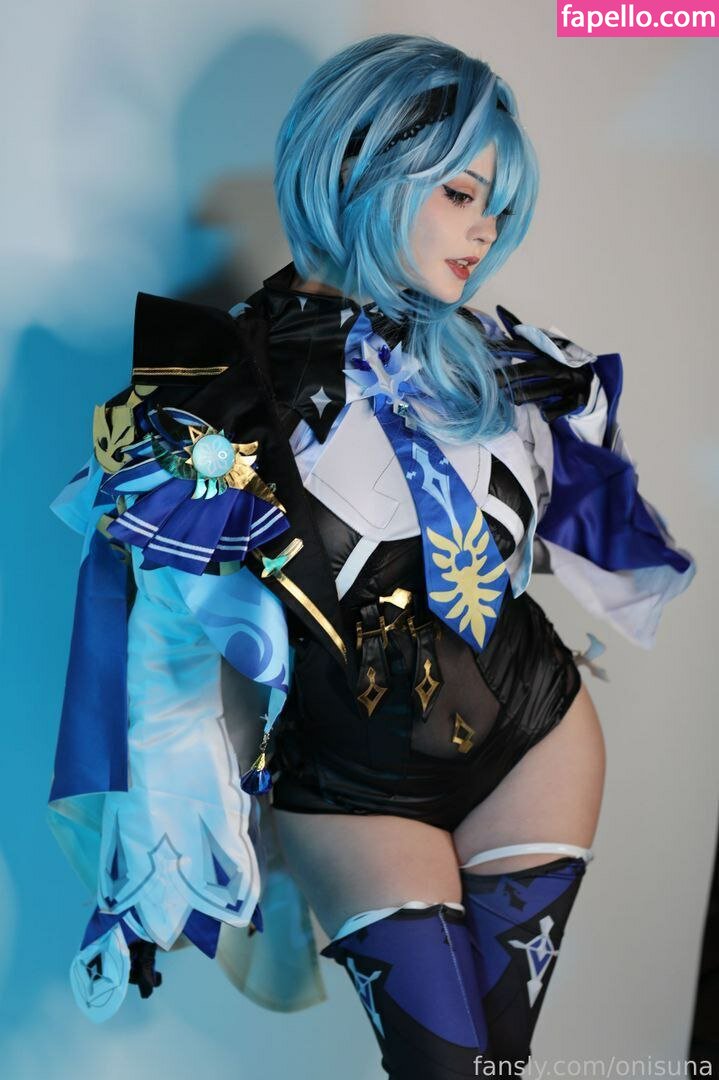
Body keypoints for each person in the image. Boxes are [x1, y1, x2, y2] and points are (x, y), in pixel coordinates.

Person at [48, 33, 696, 1079]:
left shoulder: (495, 360)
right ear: (357, 168)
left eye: (497, 206)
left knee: (502, 1062)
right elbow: (165, 656)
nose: (484, 230)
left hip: (537, 736)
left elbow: (526, 545)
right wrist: (154, 865)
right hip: (353, 785)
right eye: (460, 194)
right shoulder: (216, 396)